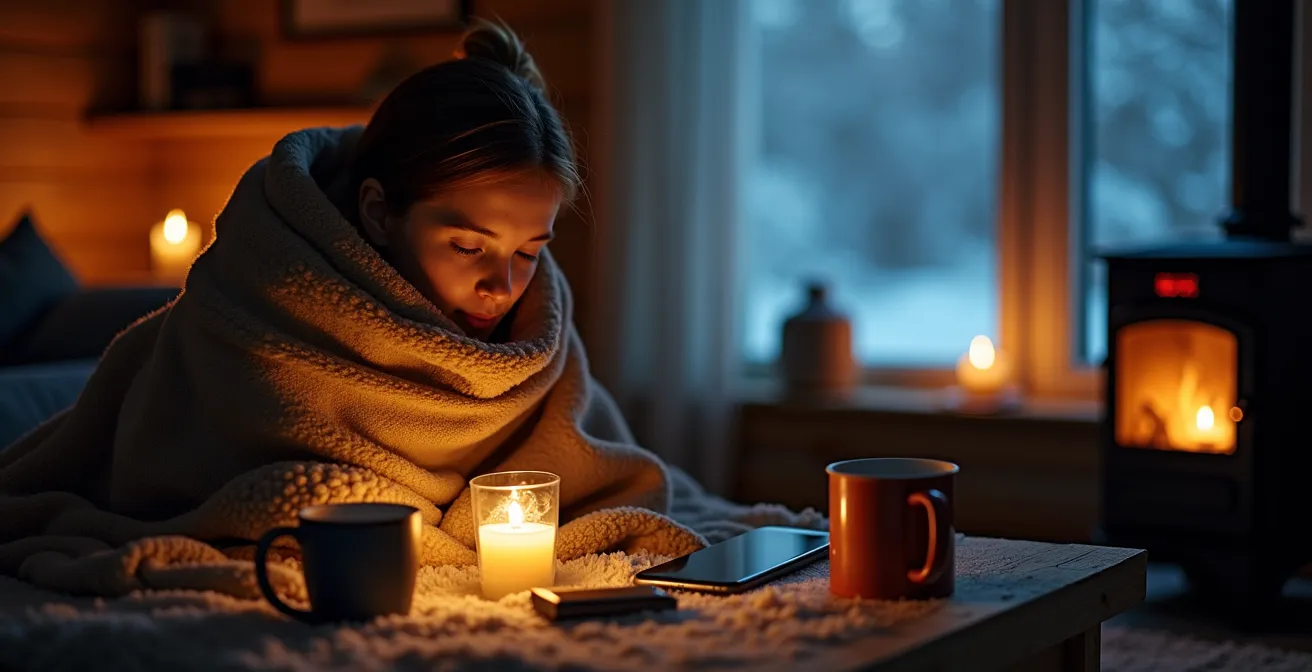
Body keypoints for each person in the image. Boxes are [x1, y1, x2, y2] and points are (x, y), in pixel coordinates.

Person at [0, 20, 707, 597]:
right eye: (468, 245)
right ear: (378, 213)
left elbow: (601, 473)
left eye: (529, 250)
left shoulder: (536, 339)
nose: (504, 286)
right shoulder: (259, 313)